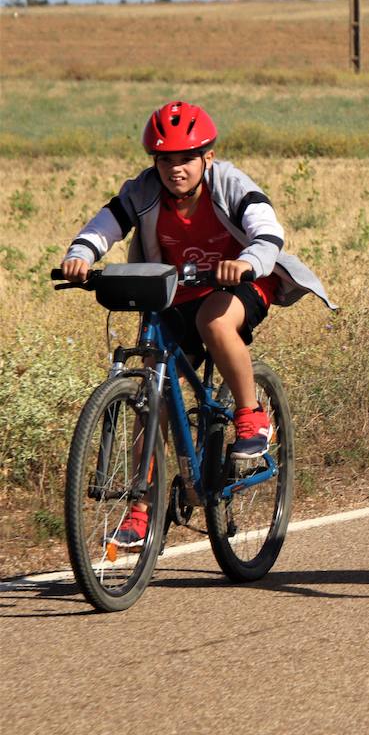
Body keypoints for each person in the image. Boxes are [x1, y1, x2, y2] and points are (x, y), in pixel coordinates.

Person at [61, 101, 334, 548]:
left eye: (186, 158)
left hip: (245, 283)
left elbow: (267, 230)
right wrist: (80, 255)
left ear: (207, 157)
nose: (175, 169)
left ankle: (251, 417)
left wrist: (245, 261)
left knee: (214, 321)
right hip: (174, 292)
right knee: (151, 394)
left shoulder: (229, 183)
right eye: (165, 159)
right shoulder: (145, 190)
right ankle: (141, 508)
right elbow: (108, 222)